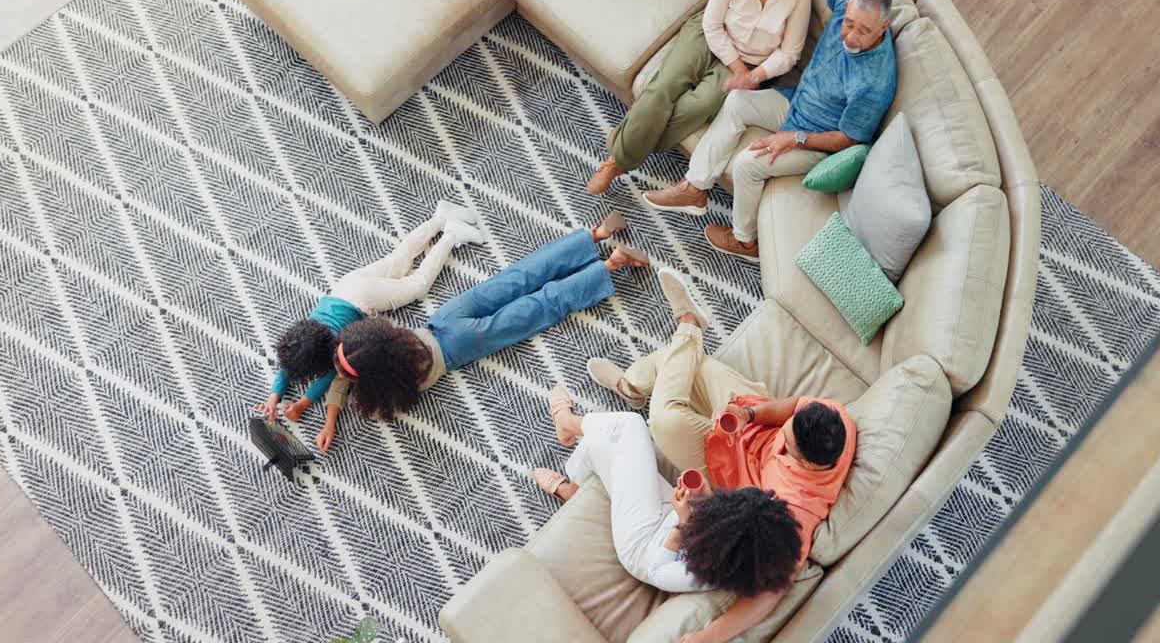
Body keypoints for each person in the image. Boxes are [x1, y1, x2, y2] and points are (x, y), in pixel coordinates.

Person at [586, 270, 857, 643]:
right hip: (745, 419)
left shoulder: (798, 509)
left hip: (726, 468)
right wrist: (751, 415)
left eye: (788, 444)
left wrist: (709, 636)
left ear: (809, 464)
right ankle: (656, 362)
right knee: (697, 369)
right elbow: (793, 406)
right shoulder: (833, 419)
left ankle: (673, 342)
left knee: (664, 418)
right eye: (790, 429)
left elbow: (772, 590)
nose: (785, 435)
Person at [642, 0, 898, 263]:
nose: (851, 35)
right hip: (795, 104)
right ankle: (695, 188)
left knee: (747, 165)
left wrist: (796, 139)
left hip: (817, 141)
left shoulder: (875, 82)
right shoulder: (848, 1)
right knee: (737, 100)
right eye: (848, 23)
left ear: (884, 28)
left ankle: (746, 242)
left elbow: (851, 139)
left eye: (864, 31)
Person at [312, 213, 650, 449]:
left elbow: (346, 377)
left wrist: (330, 421)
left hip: (461, 346)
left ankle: (611, 264)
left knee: (541, 306)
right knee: (520, 277)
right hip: (446, 317)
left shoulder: (395, 381)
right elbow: (347, 367)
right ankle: (594, 236)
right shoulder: (384, 342)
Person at [586, 0, 811, 195]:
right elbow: (712, 23)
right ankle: (619, 160)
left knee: (699, 107)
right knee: (662, 88)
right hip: (708, 38)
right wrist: (737, 68)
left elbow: (789, 53)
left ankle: (625, 148)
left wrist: (753, 76)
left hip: (754, 63)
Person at [254, 201, 485, 448]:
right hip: (346, 287)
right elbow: (287, 365)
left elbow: (327, 381)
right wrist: (273, 397)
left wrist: (302, 405)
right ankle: (439, 219)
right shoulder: (308, 337)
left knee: (416, 285)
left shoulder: (334, 352)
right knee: (398, 260)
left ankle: (450, 236)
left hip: (363, 300)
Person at [532, 391, 803, 598]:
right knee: (598, 445)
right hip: (672, 520)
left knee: (629, 425)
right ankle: (576, 486)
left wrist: (683, 521)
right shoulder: (752, 527)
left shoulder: (714, 573)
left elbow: (657, 569)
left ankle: (567, 424)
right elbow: (714, 514)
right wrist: (700, 499)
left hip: (645, 548)